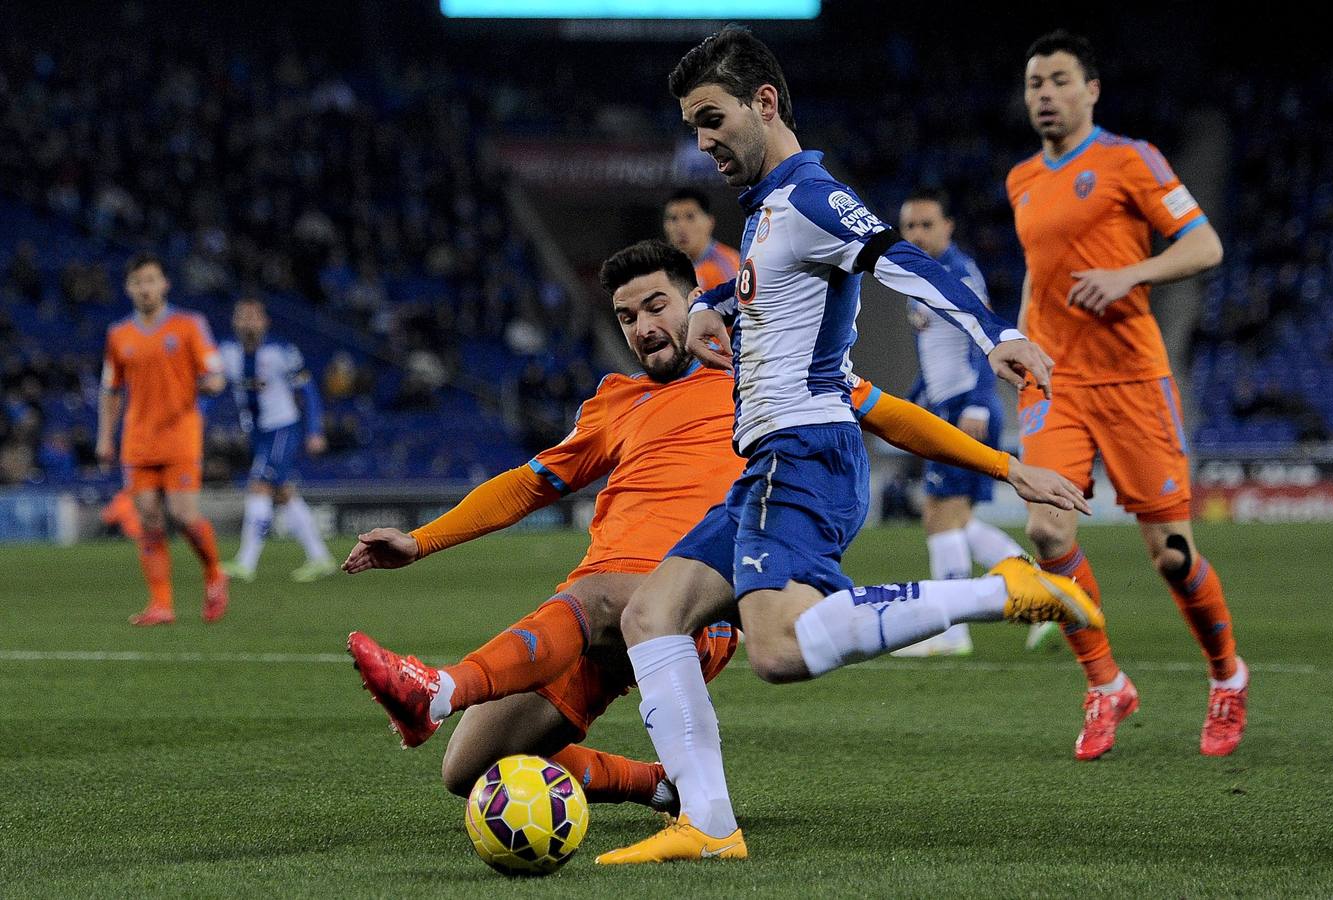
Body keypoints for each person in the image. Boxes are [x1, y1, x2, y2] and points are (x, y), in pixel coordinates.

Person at [340, 240, 1086, 811]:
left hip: (688, 601)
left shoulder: (760, 366)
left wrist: (1005, 466)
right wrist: (421, 539)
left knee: (616, 602)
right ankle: (660, 789)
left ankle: (435, 689)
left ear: (696, 300)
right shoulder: (613, 401)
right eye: (627, 317)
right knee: (469, 771)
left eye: (657, 306)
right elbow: (528, 485)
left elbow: (887, 413)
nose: (643, 327)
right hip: (588, 606)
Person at [597, 28, 1098, 865]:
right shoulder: (767, 212)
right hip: (779, 460)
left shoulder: (809, 197)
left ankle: (996, 590)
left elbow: (898, 257)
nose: (702, 143)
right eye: (692, 127)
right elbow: (765, 284)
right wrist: (711, 301)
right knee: (653, 614)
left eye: (712, 118)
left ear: (765, 104)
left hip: (799, 452)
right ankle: (709, 824)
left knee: (779, 649)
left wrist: (994, 334)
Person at [1009, 30, 1242, 759]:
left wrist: (1129, 276)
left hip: (1134, 380)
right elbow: (1035, 270)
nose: (1044, 94)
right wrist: (1020, 337)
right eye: (1034, 83)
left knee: (1171, 555)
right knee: (1048, 534)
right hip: (1057, 382)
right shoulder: (1021, 178)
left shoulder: (1129, 159)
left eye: (1057, 80)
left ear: (1091, 90)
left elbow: (1206, 246)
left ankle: (1227, 676)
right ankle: (1105, 683)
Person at [891, 187, 1055, 657]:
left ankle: (951, 631)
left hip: (967, 406)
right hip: (946, 405)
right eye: (909, 227)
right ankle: (1040, 589)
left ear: (948, 228)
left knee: (941, 516)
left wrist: (980, 403)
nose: (918, 235)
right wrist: (909, 403)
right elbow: (936, 357)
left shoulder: (958, 273)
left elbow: (984, 336)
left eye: (927, 225)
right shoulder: (918, 278)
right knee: (954, 520)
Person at [97, 252, 229, 625]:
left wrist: (214, 383)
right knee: (149, 519)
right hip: (137, 441)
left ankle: (215, 574)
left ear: (164, 284)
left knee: (182, 514)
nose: (145, 288)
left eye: (151, 280)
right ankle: (161, 604)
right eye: (138, 282)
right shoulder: (117, 335)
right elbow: (110, 389)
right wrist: (105, 437)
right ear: (128, 288)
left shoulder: (190, 325)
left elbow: (215, 371)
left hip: (180, 435)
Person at [218, 297, 336, 583]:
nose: (248, 322)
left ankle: (245, 563)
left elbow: (308, 393)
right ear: (234, 321)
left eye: (254, 316)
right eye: (242, 316)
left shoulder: (282, 351)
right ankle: (320, 557)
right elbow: (212, 389)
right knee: (283, 493)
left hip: (283, 428)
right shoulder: (226, 352)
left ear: (265, 322)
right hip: (256, 432)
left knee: (259, 485)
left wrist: (314, 431)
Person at [662, 187, 741, 290]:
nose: (681, 226)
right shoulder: (661, 268)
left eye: (690, 217)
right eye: (673, 218)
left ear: (709, 222)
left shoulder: (728, 266)